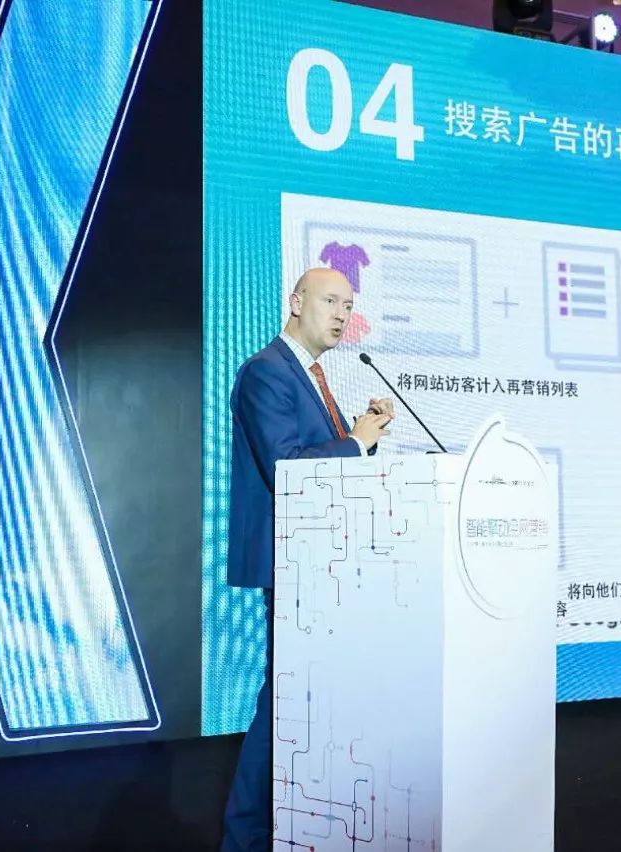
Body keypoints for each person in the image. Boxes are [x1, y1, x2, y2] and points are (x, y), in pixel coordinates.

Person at [221, 267, 394, 852]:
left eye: (349, 304)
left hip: (322, 566)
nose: (343, 314)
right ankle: (244, 836)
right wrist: (357, 440)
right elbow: (288, 468)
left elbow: (326, 463)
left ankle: (292, 826)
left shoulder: (312, 375)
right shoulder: (267, 371)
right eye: (331, 301)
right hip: (291, 565)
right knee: (284, 704)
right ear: (296, 302)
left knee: (298, 703)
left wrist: (364, 437)